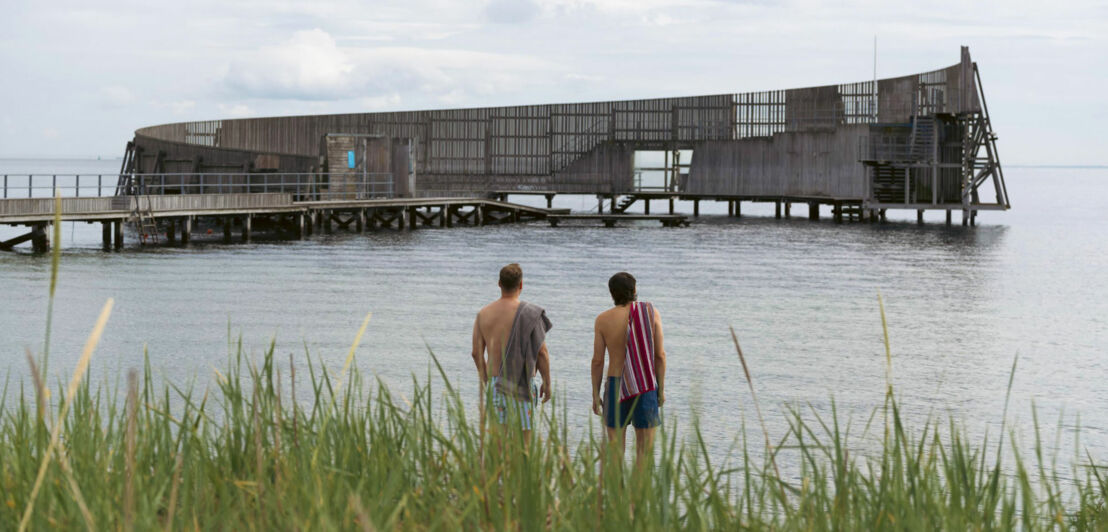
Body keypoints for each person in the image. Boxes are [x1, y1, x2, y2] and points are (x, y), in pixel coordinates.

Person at [591, 272, 666, 463]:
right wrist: (661, 390)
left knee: (615, 453)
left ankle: (616, 492)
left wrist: (595, 394)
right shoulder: (650, 312)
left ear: (612, 293)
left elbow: (598, 361)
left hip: (615, 385)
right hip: (645, 384)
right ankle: (638, 493)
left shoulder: (602, 319)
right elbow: (660, 355)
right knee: (644, 453)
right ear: (634, 290)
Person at [471, 263, 552, 440]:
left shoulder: (483, 314)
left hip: (496, 384)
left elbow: (476, 353)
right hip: (523, 384)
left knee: (498, 444)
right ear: (521, 285)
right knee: (524, 446)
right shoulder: (531, 314)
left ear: (499, 283)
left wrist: (486, 379)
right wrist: (547, 382)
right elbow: (541, 353)